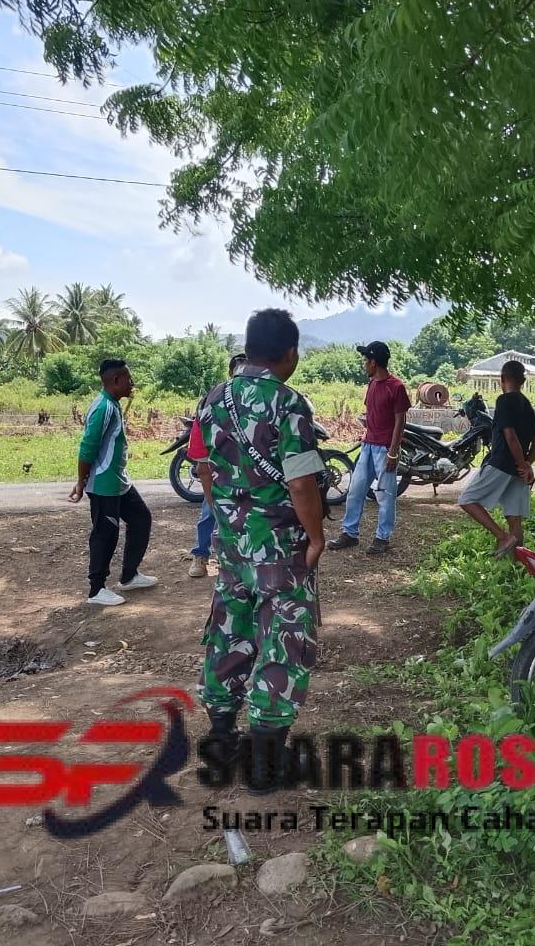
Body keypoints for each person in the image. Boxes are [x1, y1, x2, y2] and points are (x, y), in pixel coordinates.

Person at [195, 308, 326, 792]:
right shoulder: (289, 402)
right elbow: (302, 481)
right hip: (281, 549)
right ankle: (266, 764)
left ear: (248, 349)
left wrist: (228, 520)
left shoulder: (213, 398)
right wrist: (316, 537)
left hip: (232, 546)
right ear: (290, 353)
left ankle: (221, 739)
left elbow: (204, 470)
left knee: (229, 632)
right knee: (282, 642)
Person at [68, 358, 158, 606]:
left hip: (119, 481)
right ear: (116, 380)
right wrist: (81, 481)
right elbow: (87, 448)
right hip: (104, 484)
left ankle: (129, 575)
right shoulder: (104, 408)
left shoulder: (113, 404)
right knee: (105, 533)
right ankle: (96, 590)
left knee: (141, 518)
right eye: (128, 378)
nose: (132, 383)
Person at [328, 341, 411, 555]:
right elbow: (372, 412)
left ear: (374, 362)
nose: (363, 364)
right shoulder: (372, 383)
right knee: (355, 491)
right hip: (368, 446)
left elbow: (400, 421)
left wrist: (393, 452)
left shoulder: (396, 386)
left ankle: (382, 537)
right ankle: (350, 533)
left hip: (385, 449)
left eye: (366, 360)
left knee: (385, 495)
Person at [458, 360, 535, 557]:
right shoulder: (528, 407)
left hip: (501, 463)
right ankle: (517, 563)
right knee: (514, 518)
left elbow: (510, 435)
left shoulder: (504, 401)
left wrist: (522, 464)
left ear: (502, 378)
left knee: (467, 499)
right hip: (518, 470)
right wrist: (527, 464)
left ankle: (502, 537)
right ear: (523, 381)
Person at [187, 353, 246, 578]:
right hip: (220, 476)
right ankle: (201, 555)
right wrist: (212, 499)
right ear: (230, 374)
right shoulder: (211, 402)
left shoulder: (259, 401)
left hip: (250, 478)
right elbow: (202, 465)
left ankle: (233, 559)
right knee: (209, 512)